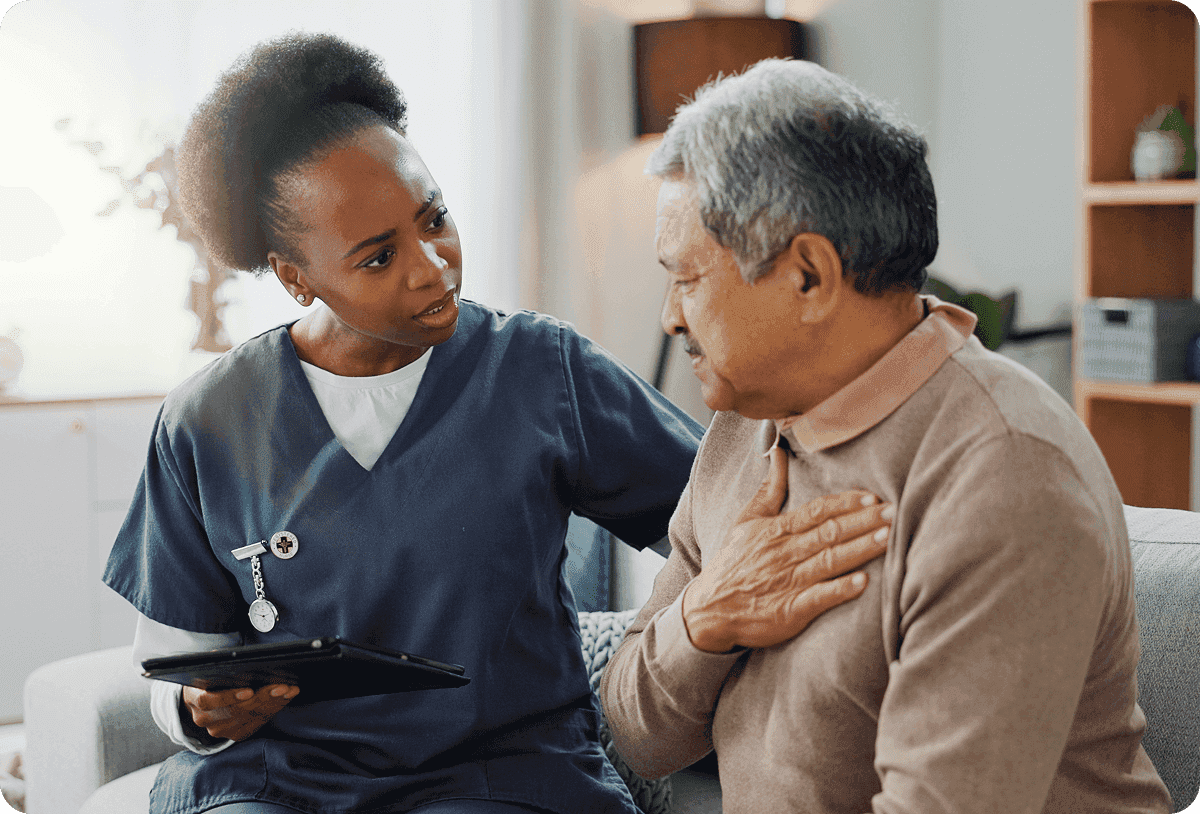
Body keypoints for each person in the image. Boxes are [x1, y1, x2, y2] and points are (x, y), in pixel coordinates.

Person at [101, 35, 889, 814]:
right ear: (296, 277)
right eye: (378, 258)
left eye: (434, 218)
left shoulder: (540, 370)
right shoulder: (207, 421)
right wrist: (202, 713)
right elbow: (175, 667)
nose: (433, 265)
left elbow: (725, 516)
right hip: (279, 783)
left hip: (502, 774)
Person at [598, 59, 1173, 814]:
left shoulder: (1005, 472)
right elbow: (636, 739)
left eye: (688, 278)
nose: (672, 316)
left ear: (808, 275)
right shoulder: (746, 421)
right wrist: (707, 617)